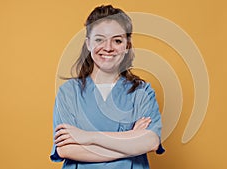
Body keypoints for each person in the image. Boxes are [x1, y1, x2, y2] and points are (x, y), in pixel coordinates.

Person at [50, 4, 164, 169]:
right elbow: (65, 149)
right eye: (99, 39)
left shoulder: (142, 92)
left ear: (127, 46)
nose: (108, 47)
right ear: (88, 43)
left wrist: (88, 137)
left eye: (117, 40)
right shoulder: (68, 93)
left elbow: (151, 141)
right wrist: (131, 139)